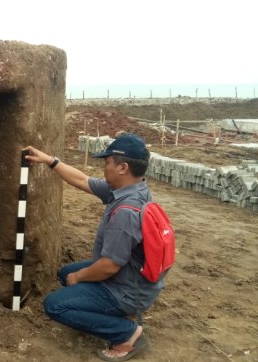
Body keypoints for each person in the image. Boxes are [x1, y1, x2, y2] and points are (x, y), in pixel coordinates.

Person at [24, 133, 162, 361]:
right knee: (65, 274)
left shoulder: (126, 211)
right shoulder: (131, 190)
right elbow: (82, 180)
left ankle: (127, 335)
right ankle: (110, 316)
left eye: (107, 163)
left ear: (123, 168)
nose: (104, 167)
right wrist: (50, 160)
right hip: (132, 277)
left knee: (55, 305)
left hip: (126, 289)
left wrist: (79, 278)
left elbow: (109, 266)